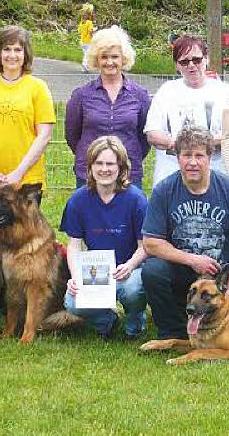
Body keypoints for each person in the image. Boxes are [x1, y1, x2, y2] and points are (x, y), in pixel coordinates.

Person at [141, 128, 229, 340]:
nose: (192, 162)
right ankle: (172, 332)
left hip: (218, 276)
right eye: (186, 155)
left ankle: (212, 322)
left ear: (209, 157)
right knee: (152, 270)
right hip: (181, 269)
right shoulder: (164, 190)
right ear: (177, 158)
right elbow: (151, 243)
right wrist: (192, 260)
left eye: (199, 155)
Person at [61, 136, 148, 338]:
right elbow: (73, 245)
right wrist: (75, 278)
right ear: (90, 167)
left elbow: (145, 246)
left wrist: (130, 265)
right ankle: (106, 321)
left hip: (130, 268)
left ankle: (135, 320)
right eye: (98, 163)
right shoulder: (78, 200)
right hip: (96, 270)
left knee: (134, 289)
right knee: (72, 302)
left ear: (121, 168)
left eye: (110, 163)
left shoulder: (136, 199)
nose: (104, 169)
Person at [0, 25, 55, 190]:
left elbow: (44, 136)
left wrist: (18, 173)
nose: (12, 55)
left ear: (26, 54)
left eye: (18, 50)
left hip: (27, 181)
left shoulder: (39, 88)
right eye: (6, 49)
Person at [65, 25, 151, 189]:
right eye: (104, 57)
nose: (109, 62)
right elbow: (72, 136)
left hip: (129, 174)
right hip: (89, 175)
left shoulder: (140, 96)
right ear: (96, 59)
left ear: (123, 59)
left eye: (114, 57)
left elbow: (144, 138)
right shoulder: (81, 96)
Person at [145, 34, 229, 186]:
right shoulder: (166, 91)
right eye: (184, 62)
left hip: (215, 176)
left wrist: (202, 145)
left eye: (197, 60)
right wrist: (176, 144)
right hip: (172, 175)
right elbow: (152, 134)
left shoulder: (225, 92)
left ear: (207, 59)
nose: (191, 65)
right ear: (177, 65)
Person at [78, 3, 95, 71]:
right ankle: (85, 64)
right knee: (88, 54)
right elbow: (90, 31)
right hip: (88, 41)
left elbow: (79, 31)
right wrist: (93, 34)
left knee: (85, 53)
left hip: (82, 41)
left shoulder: (81, 23)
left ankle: (85, 67)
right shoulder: (89, 23)